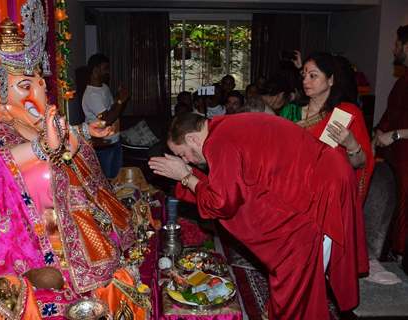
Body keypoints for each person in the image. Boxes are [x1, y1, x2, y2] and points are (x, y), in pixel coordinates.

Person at [0, 3, 137, 317]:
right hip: (19, 236)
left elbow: (62, 142)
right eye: (25, 86)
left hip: (69, 228)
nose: (36, 95)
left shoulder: (34, 120)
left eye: (39, 84)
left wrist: (84, 132)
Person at [148, 112, 366, 319]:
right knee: (302, 273)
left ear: (193, 139)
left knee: (299, 277)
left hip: (324, 191)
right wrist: (189, 175)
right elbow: (240, 185)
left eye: (182, 154)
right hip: (324, 179)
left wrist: (186, 177)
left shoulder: (218, 142)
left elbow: (223, 202)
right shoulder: (224, 128)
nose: (187, 161)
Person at [297, 52, 374, 206]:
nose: (305, 80)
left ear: (330, 80)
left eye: (313, 76)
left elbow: (361, 164)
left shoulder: (346, 112)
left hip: (330, 197)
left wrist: (351, 145)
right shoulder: (292, 111)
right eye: (303, 75)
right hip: (295, 189)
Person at [374, 25, 408, 267]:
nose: (393, 48)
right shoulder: (403, 80)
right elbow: (390, 116)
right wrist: (378, 133)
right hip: (395, 163)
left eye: (397, 43)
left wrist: (395, 135)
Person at [82, 53, 130, 178]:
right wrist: (120, 101)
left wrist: (118, 98)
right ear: (96, 70)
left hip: (114, 141)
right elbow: (107, 120)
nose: (108, 72)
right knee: (107, 182)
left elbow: (111, 109)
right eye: (105, 69)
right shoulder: (92, 95)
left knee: (117, 181)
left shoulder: (104, 87)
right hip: (102, 146)